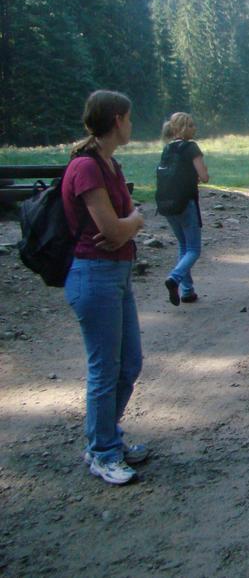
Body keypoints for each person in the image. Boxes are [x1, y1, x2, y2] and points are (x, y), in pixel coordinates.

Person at [61, 90, 148, 485]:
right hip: (93, 275)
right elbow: (114, 229)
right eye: (128, 118)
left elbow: (122, 223)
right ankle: (103, 452)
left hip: (117, 273)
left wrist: (128, 224)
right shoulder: (87, 168)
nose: (131, 125)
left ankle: (106, 437)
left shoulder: (110, 164)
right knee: (105, 369)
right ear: (116, 120)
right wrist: (134, 222)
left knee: (129, 363)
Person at [160, 112, 209, 305]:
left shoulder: (167, 148)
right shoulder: (191, 147)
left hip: (167, 204)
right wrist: (202, 174)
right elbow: (204, 176)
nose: (194, 128)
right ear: (182, 128)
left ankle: (188, 291)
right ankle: (174, 278)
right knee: (194, 249)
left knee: (183, 245)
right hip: (186, 202)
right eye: (191, 125)